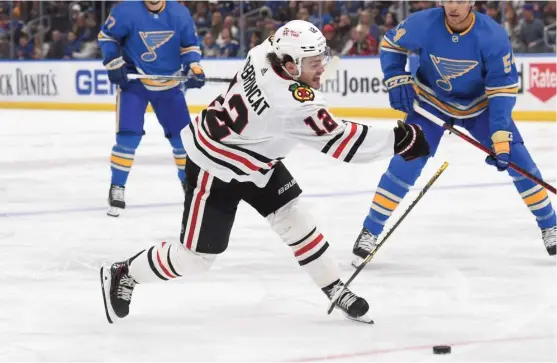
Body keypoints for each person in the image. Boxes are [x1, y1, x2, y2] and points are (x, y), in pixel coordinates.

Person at [100, 20, 429, 324]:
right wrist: (400, 139)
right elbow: (342, 142)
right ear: (290, 65)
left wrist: (310, 78)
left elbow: (284, 57)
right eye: (314, 63)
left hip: (257, 158)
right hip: (216, 165)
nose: (323, 67)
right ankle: (124, 272)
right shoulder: (293, 104)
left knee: (295, 218)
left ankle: (333, 288)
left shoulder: (261, 54)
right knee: (196, 259)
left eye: (321, 59)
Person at [353, 0, 556, 268]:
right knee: (405, 163)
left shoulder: (492, 35)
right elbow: (392, 44)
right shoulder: (423, 23)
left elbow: (502, 91)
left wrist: (500, 138)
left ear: (472, 2)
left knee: (519, 161)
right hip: (429, 104)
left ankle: (550, 226)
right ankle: (371, 230)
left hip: (480, 106)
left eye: (460, 0)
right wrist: (395, 77)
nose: (454, 6)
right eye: (449, 0)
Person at [98, 0, 206, 217]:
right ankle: (117, 187)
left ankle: (189, 187)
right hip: (134, 82)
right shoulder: (126, 10)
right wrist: (113, 61)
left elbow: (189, 46)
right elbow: (107, 36)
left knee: (182, 140)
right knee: (128, 137)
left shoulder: (180, 13)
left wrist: (194, 67)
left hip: (170, 85)